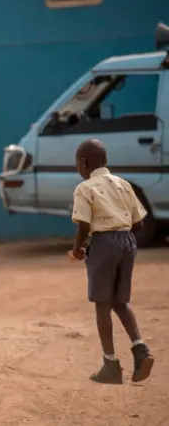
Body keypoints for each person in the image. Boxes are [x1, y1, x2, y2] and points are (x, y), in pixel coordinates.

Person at [69, 138, 154, 384]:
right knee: (120, 301)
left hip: (103, 243)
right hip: (127, 242)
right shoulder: (124, 184)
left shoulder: (84, 188)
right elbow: (139, 224)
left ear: (84, 162)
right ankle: (141, 350)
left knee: (102, 303)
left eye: (77, 163)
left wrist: (78, 249)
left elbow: (84, 226)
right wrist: (120, 234)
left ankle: (111, 364)